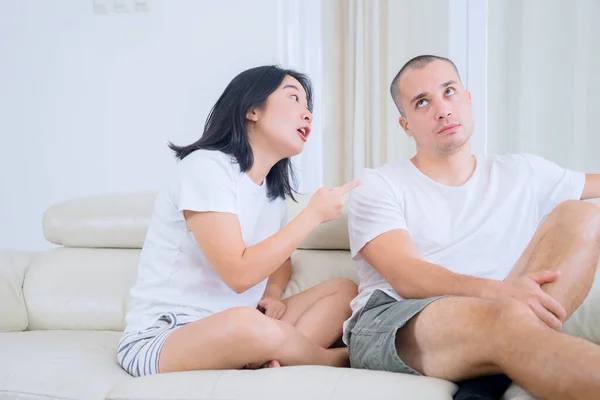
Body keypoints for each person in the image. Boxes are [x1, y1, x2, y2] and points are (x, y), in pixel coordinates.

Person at [344, 54, 600, 400]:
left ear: (468, 100)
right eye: (422, 102)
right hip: (395, 317)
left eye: (449, 92)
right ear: (406, 125)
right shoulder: (378, 184)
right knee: (508, 318)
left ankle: (489, 373)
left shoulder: (522, 172)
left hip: (504, 312)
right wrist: (499, 294)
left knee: (584, 216)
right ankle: (500, 363)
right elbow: (407, 275)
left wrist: (504, 301)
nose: (442, 109)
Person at [117, 65, 360, 377]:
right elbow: (239, 273)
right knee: (246, 325)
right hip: (164, 338)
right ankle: (332, 359)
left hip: (242, 326)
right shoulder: (206, 168)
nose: (307, 114)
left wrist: (272, 294)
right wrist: (312, 215)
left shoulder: (271, 192)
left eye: (308, 106)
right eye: (293, 99)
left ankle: (266, 357)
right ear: (252, 109)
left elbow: (279, 260)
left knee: (343, 291)